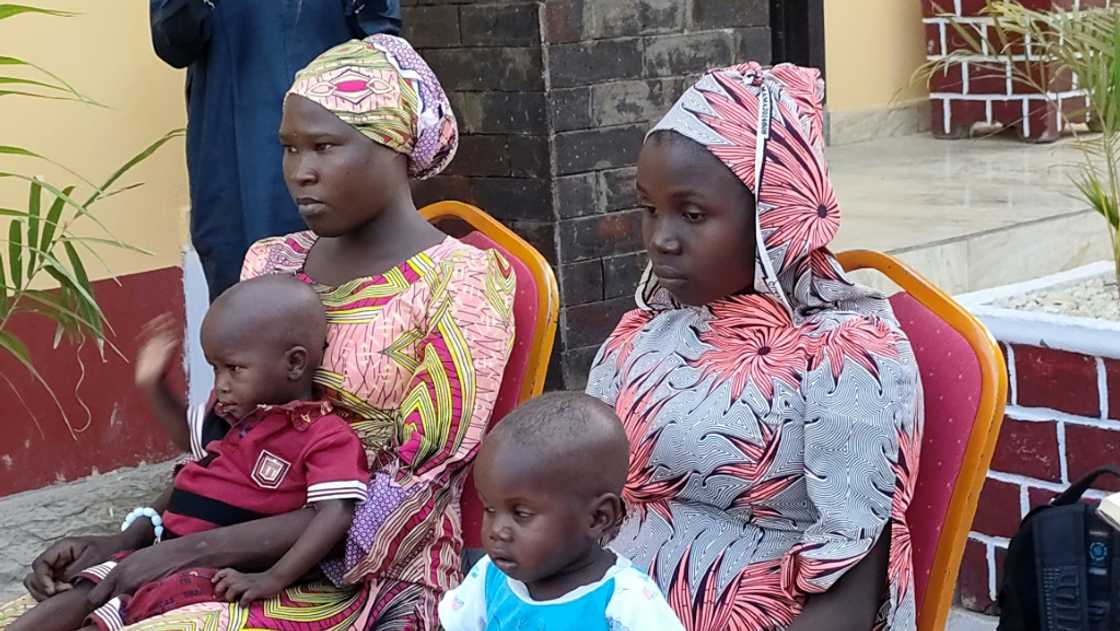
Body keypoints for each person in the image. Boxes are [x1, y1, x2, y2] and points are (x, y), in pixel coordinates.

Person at [12, 35, 514, 631]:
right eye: (290, 148)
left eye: (326, 146)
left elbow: (406, 496)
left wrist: (180, 553)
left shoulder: (463, 283)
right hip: (216, 554)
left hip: (365, 582)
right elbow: (229, 453)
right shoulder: (272, 264)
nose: (301, 172)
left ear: (398, 148)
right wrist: (128, 536)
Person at [585, 63, 924, 631]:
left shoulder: (849, 356)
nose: (661, 240)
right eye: (649, 209)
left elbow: (852, 584)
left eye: (692, 215)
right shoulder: (644, 333)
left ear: (774, 218)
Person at [7, 275, 370, 631]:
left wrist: (273, 578)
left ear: (294, 363)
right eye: (215, 369)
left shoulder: (324, 436)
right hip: (158, 546)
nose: (220, 385)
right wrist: (154, 388)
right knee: (81, 592)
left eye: (234, 369)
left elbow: (335, 513)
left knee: (114, 613)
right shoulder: (229, 416)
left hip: (206, 568)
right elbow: (188, 439)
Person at [150, 0, 402, 300]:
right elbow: (173, 41)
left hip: (337, 158)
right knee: (247, 312)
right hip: (234, 163)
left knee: (352, 316)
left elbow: (381, 40)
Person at [438, 393, 685, 631]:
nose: (497, 531)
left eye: (521, 513)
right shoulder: (489, 577)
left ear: (598, 517)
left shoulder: (626, 603)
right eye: (490, 509)